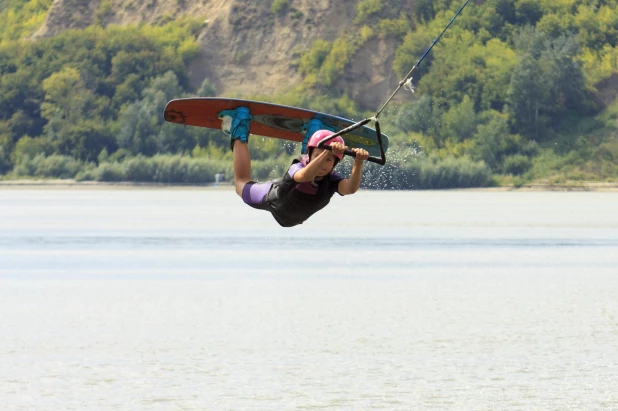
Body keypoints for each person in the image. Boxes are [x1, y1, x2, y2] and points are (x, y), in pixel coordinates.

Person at [223, 107, 370, 227]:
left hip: (291, 216)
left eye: (329, 160)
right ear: (310, 154)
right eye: (318, 156)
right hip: (272, 198)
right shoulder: (297, 167)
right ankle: (239, 126)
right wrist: (327, 152)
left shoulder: (332, 181)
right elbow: (305, 176)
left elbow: (350, 188)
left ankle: (315, 130)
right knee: (240, 183)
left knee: (317, 165)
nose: (323, 164)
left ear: (334, 164)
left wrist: (358, 163)